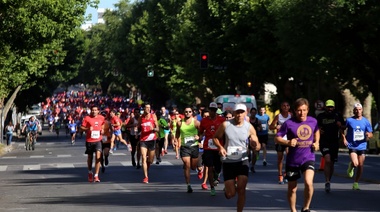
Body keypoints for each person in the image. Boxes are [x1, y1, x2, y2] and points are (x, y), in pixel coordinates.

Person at [275, 98, 320, 212]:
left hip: (308, 157)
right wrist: (288, 142)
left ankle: (306, 207)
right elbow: (277, 137)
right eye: (299, 110)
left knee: (308, 183)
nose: (302, 113)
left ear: (308, 110)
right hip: (293, 160)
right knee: (292, 189)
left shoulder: (313, 121)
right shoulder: (289, 123)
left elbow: (316, 130)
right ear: (295, 111)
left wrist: (317, 142)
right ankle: (293, 210)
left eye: (304, 110)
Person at [213, 103, 260, 212]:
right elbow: (215, 137)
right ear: (234, 113)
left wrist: (255, 144)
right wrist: (220, 147)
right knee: (230, 194)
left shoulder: (249, 127)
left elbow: (256, 142)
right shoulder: (226, 125)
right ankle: (229, 189)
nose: (239, 115)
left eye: (241, 112)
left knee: (241, 189)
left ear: (245, 113)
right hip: (228, 161)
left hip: (242, 160)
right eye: (237, 112)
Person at [342, 103, 373, 190]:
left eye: (359, 109)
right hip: (352, 145)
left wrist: (368, 135)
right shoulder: (349, 120)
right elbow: (342, 129)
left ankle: (355, 183)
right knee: (356, 163)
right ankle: (351, 166)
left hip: (362, 145)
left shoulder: (366, 121)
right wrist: (344, 139)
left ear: (362, 110)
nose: (358, 111)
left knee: (360, 165)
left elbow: (371, 133)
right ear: (354, 111)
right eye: (356, 109)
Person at [316, 99, 344, 192]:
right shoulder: (320, 116)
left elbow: (343, 127)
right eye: (328, 107)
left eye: (331, 107)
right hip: (324, 141)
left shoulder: (338, 116)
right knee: (327, 159)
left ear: (334, 107)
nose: (330, 109)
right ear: (325, 107)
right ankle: (327, 181)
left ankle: (329, 180)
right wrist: (318, 130)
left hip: (334, 142)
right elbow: (314, 128)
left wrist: (340, 126)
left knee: (331, 162)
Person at [199, 102, 226, 196]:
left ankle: (217, 175)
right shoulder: (204, 121)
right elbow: (200, 132)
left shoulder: (222, 120)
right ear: (209, 110)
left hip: (218, 146)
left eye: (214, 110)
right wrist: (199, 138)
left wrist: (225, 145)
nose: (213, 112)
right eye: (211, 110)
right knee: (209, 167)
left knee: (218, 167)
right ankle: (212, 187)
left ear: (216, 111)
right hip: (208, 147)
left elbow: (226, 132)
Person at [176, 106, 200, 193]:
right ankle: (188, 185)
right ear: (183, 112)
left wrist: (199, 137)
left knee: (193, 167)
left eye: (189, 112)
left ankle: (197, 168)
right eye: (186, 112)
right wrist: (176, 140)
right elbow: (177, 132)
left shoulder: (196, 123)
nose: (188, 113)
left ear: (192, 113)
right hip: (184, 147)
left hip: (194, 146)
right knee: (187, 164)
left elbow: (202, 132)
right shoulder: (179, 123)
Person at [80, 105, 105, 183]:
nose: (94, 111)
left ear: (98, 111)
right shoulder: (87, 118)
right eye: (93, 110)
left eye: (95, 110)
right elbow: (81, 128)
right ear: (91, 111)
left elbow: (103, 124)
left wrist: (102, 129)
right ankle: (90, 172)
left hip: (98, 140)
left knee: (98, 157)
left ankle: (96, 175)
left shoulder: (101, 118)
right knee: (90, 157)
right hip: (90, 140)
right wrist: (87, 129)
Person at [269, 101, 292, 184]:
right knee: (280, 157)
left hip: (289, 139)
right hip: (280, 139)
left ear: (289, 107)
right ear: (281, 107)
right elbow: (270, 127)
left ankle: (286, 173)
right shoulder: (278, 116)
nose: (285, 107)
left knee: (289, 156)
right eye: (284, 106)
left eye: (287, 105)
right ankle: (280, 175)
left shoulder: (291, 116)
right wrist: (276, 126)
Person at [137, 103, 159, 183]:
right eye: (146, 107)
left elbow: (157, 129)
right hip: (143, 140)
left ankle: (148, 164)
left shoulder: (153, 116)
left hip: (152, 139)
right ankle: (146, 177)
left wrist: (153, 128)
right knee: (143, 157)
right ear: (144, 109)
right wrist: (137, 131)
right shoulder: (141, 117)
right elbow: (139, 127)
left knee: (151, 160)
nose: (148, 109)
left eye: (149, 107)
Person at [249, 107, 261, 173]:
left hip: (255, 138)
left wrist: (259, 128)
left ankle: (252, 165)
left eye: (254, 113)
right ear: (250, 113)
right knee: (248, 152)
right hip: (248, 138)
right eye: (252, 112)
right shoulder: (248, 120)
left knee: (255, 153)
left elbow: (261, 128)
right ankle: (248, 160)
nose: (253, 114)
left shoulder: (257, 121)